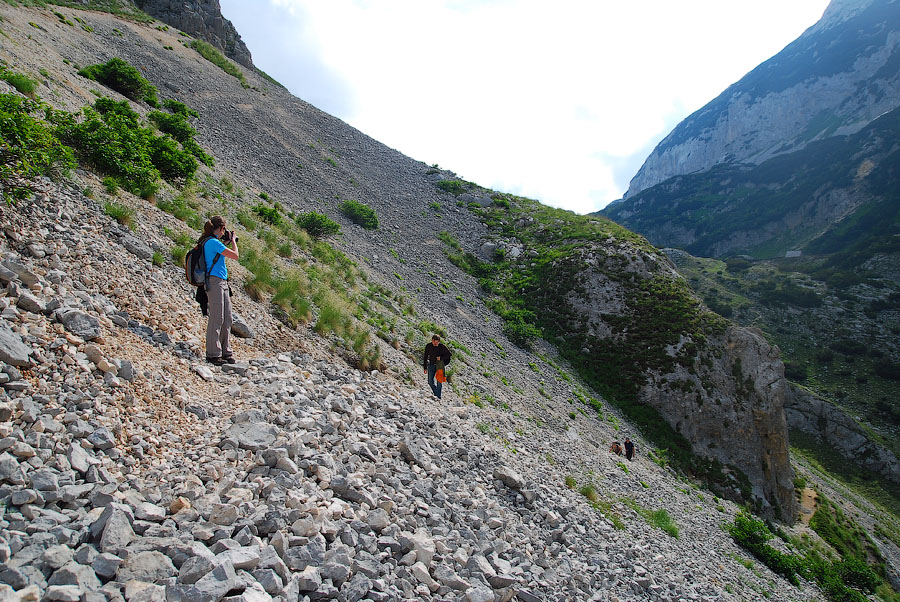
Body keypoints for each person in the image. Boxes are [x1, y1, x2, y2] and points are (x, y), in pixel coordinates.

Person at [199, 216, 239, 365]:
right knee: (217, 317)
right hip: (214, 282)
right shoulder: (212, 242)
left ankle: (225, 351)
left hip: (222, 282)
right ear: (221, 228)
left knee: (227, 317)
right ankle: (213, 354)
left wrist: (227, 243)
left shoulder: (213, 242)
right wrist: (233, 242)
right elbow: (235, 255)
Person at [422, 334, 451, 399]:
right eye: (435, 342)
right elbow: (425, 357)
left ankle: (438, 396)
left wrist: (441, 358)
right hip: (431, 365)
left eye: (437, 342)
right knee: (430, 382)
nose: (436, 344)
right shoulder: (428, 346)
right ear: (432, 340)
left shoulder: (442, 346)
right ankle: (436, 393)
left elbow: (449, 355)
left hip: (439, 366)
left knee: (439, 381)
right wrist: (425, 367)